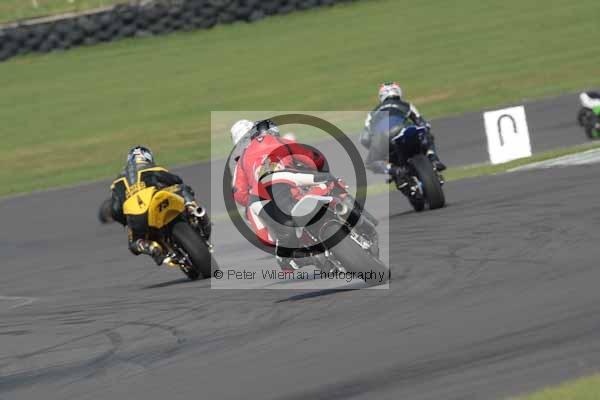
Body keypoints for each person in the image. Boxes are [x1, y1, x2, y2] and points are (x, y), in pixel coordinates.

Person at [231, 119, 329, 270]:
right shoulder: (280, 141)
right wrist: (318, 169)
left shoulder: (242, 159)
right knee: (328, 183)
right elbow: (313, 158)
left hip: (263, 202)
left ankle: (290, 252)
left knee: (261, 220)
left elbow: (239, 193)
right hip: (292, 189)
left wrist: (252, 196)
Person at [110, 146, 211, 265]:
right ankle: (194, 210)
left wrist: (127, 221)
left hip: (135, 215)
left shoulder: (116, 183)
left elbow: (115, 211)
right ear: (148, 157)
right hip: (155, 202)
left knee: (133, 243)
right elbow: (175, 180)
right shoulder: (151, 168)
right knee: (182, 188)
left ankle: (148, 246)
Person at [360, 82, 446, 190]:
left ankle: (395, 170)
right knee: (427, 135)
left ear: (381, 96)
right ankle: (434, 159)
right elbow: (422, 123)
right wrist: (425, 131)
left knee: (371, 163)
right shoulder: (407, 105)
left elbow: (365, 138)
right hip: (404, 130)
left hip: (385, 139)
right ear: (398, 92)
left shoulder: (372, 113)